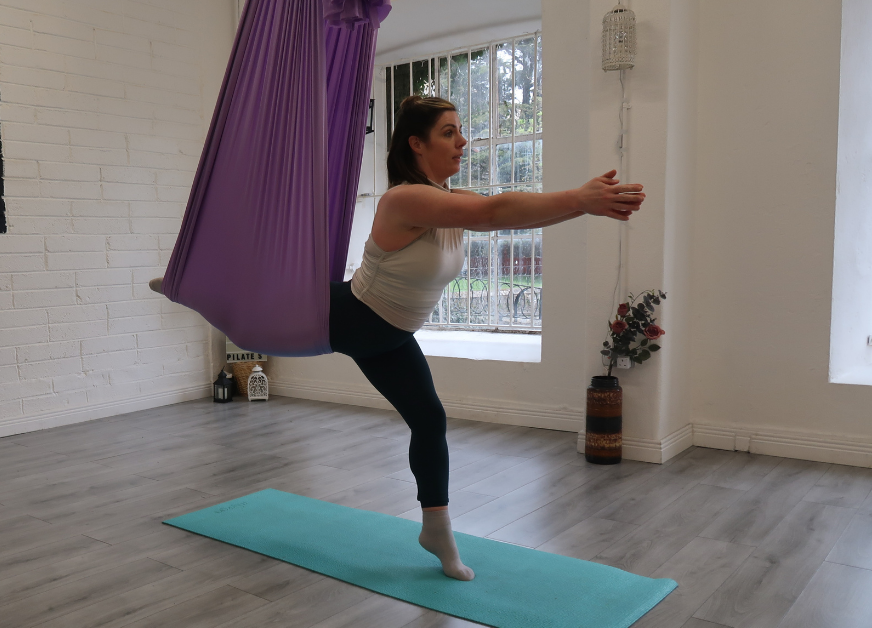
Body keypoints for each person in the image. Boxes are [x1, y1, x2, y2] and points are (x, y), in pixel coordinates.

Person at [153, 94, 644, 581]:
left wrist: (585, 207)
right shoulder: (404, 199)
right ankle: (185, 286)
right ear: (416, 144)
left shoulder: (452, 203)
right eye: (448, 133)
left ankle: (436, 528)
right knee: (245, 327)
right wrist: (579, 199)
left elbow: (513, 213)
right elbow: (494, 213)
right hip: (344, 316)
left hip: (390, 335)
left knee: (429, 420)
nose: (462, 141)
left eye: (459, 131)